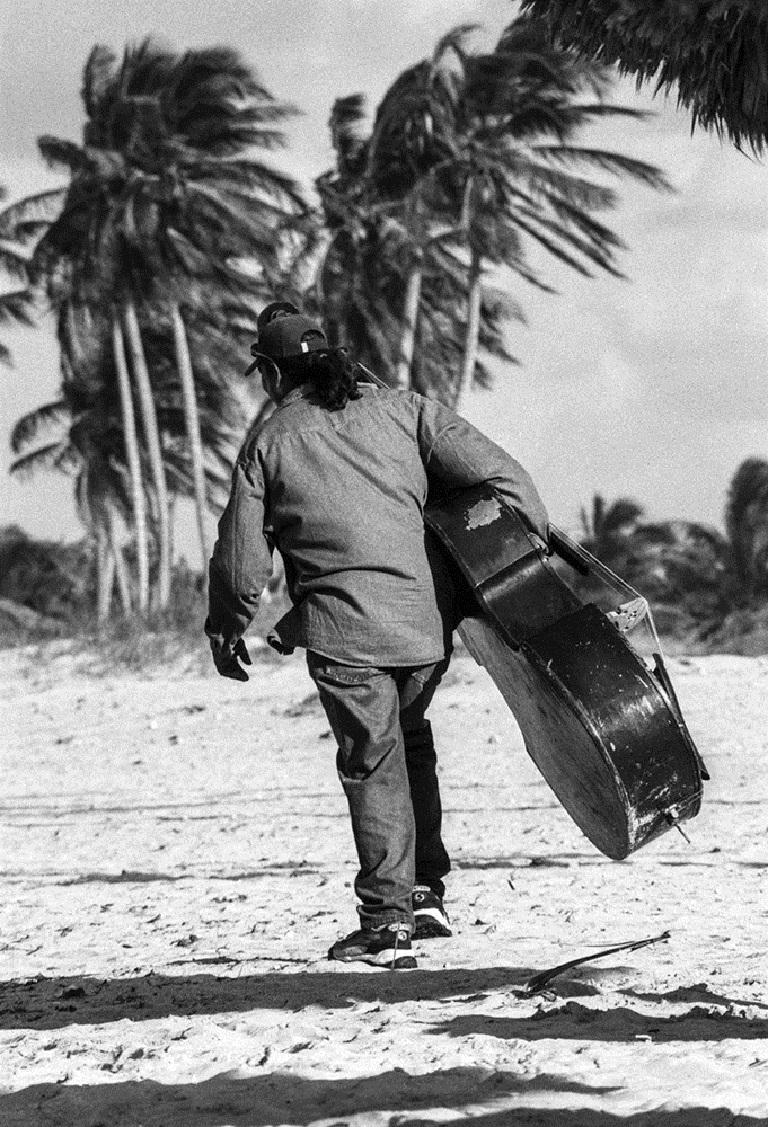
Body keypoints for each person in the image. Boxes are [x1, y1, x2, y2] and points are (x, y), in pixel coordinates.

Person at [205, 302, 549, 969]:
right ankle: (425, 891)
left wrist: (227, 628)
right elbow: (511, 483)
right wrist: (519, 565)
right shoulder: (406, 409)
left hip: (345, 630)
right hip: (425, 625)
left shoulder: (272, 440)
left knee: (373, 762)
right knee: (409, 740)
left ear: (274, 373)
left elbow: (242, 563)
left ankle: (387, 921)